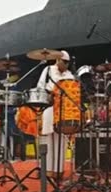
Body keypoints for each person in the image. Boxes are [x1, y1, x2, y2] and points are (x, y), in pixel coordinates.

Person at [37, 50, 74, 179]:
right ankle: (47, 170)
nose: (66, 65)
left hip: (64, 109)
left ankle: (58, 170)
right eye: (64, 62)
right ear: (58, 60)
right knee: (48, 138)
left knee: (61, 139)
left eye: (68, 63)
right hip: (49, 107)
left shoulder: (70, 75)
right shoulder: (48, 70)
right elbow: (40, 87)